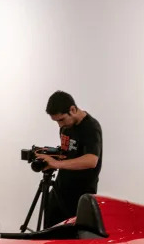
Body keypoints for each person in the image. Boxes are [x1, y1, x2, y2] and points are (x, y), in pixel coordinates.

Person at [35, 90, 103, 228]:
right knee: (49, 233)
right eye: (56, 121)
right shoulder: (66, 127)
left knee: (71, 241)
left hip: (80, 196)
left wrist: (57, 163)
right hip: (60, 190)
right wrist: (51, 158)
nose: (59, 125)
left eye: (61, 119)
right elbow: (67, 154)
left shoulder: (90, 127)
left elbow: (91, 160)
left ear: (72, 109)